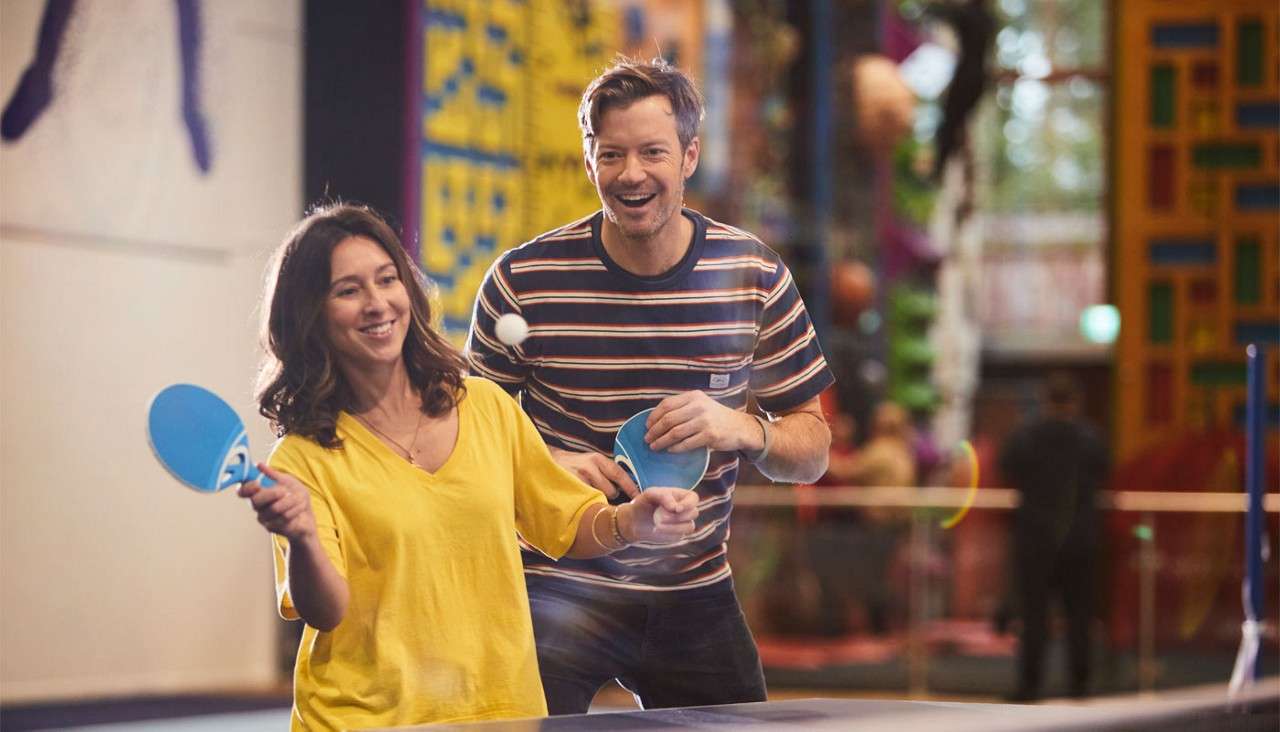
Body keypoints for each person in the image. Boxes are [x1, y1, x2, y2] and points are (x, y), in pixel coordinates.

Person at [236, 203, 701, 731]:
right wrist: (301, 538)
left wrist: (632, 522)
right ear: (310, 316)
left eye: (387, 279)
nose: (376, 303)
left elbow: (567, 524)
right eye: (348, 290)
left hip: (503, 712)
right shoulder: (303, 458)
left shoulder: (485, 407)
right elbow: (325, 611)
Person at [467, 57, 834, 713]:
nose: (631, 173)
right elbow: (461, 440)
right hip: (554, 586)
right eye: (611, 154)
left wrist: (742, 428)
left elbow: (812, 452)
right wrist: (542, 465)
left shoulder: (754, 275)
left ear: (690, 155)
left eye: (652, 152)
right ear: (589, 163)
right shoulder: (522, 280)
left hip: (693, 589)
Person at [998, 371, 1109, 701]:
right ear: (1075, 401)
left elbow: (1008, 470)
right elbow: (1104, 472)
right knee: (1079, 617)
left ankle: (1029, 686)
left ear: (1045, 400)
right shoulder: (1092, 438)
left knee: (1033, 617)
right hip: (1081, 541)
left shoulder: (1025, 436)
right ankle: (1080, 685)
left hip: (1035, 539)